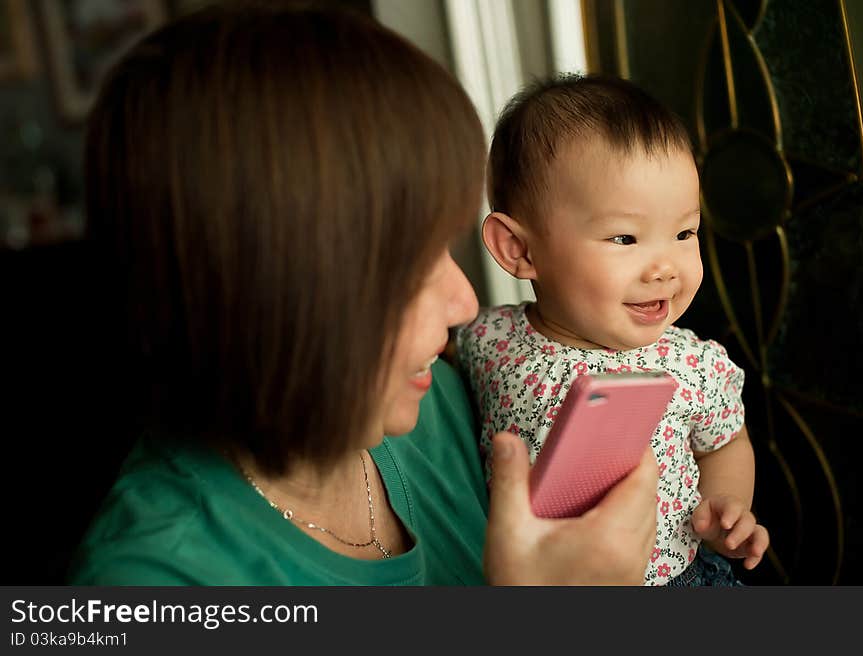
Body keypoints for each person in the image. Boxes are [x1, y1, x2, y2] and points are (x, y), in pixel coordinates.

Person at [66, 3, 660, 586]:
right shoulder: (155, 583)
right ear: (279, 285)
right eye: (408, 269)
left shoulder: (441, 400)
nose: (464, 304)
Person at [456, 74, 770, 586]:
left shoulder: (693, 365)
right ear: (520, 249)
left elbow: (726, 442)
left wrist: (726, 507)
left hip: (681, 582)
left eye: (684, 232)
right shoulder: (487, 339)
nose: (665, 267)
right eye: (625, 237)